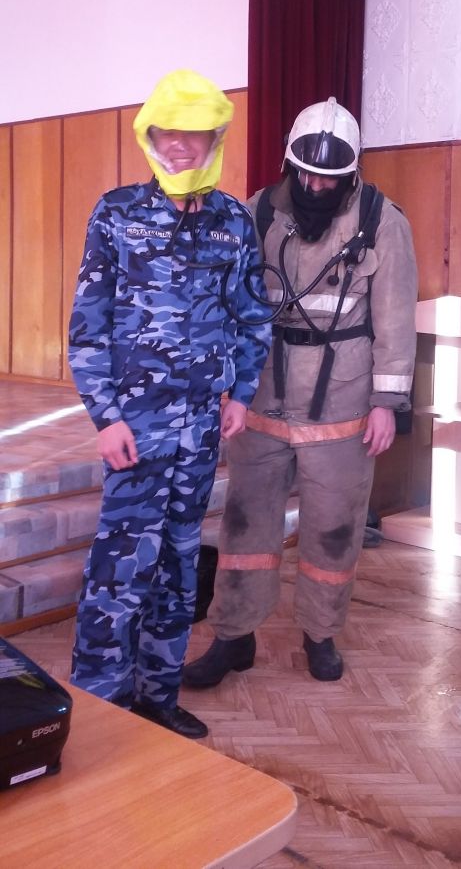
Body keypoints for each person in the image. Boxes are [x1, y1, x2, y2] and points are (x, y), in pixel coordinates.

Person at [182, 96, 417, 687]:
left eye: (328, 178)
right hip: (263, 393)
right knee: (245, 526)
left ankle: (320, 634)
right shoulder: (257, 211)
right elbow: (228, 303)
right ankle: (233, 636)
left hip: (343, 402)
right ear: (290, 164)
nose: (314, 186)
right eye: (306, 174)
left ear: (351, 173)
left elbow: (395, 318)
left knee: (334, 526)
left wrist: (388, 404)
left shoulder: (382, 221)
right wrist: (224, 385)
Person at [68, 69, 271, 738]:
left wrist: (242, 392)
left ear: (215, 139)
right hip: (136, 426)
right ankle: (101, 708)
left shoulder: (233, 221)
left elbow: (253, 315)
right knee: (120, 566)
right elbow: (88, 327)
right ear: (149, 137)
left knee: (180, 564)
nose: (180, 147)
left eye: (194, 135)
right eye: (167, 134)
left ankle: (158, 694)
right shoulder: (117, 213)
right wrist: (106, 417)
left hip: (202, 428)